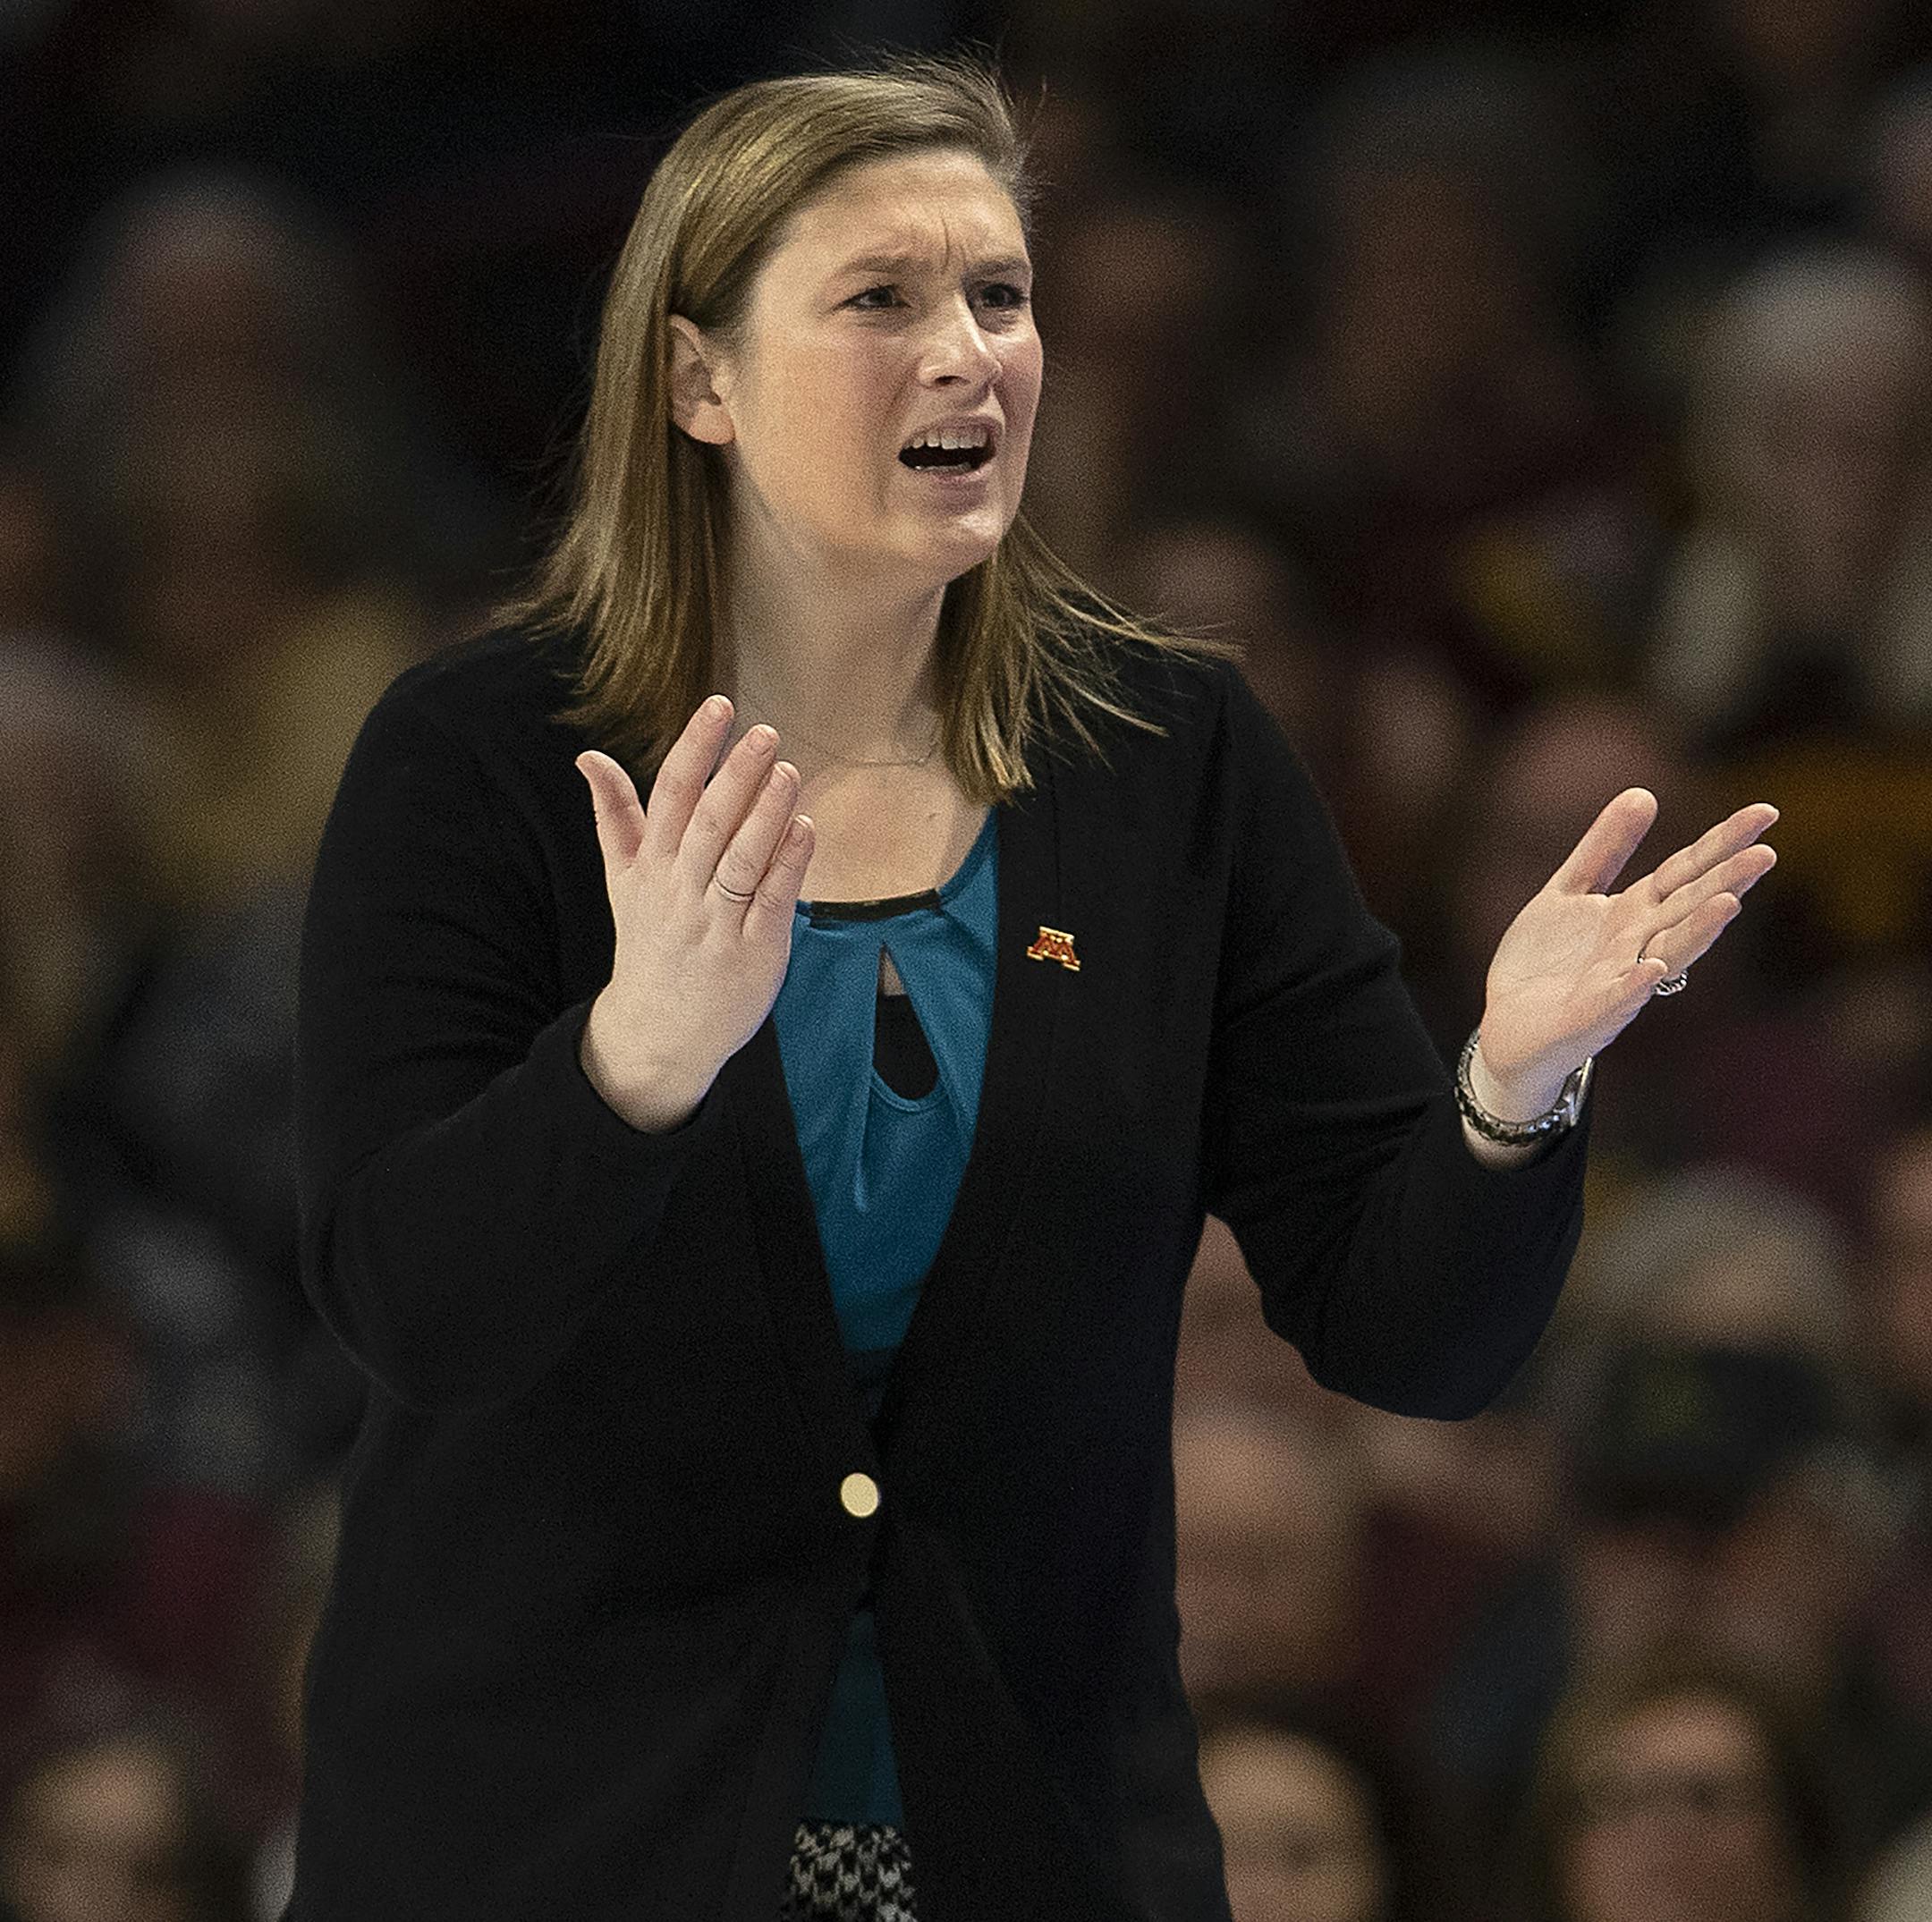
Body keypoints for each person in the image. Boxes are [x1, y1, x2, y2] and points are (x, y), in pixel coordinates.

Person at [283, 52, 1778, 1922]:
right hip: (554, 1842)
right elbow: (406, 1301)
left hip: (1033, 1837)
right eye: (882, 300)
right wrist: (632, 1064)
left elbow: (1412, 1333)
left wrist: (1512, 1083)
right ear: (698, 379)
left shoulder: (1167, 760)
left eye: (1000, 293)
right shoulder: (488, 759)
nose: (969, 351)